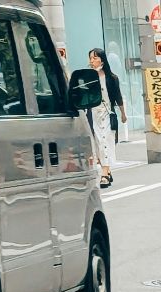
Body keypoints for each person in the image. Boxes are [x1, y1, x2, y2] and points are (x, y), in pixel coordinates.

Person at [68, 47, 124, 188]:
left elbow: (118, 97)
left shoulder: (112, 78)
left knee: (106, 140)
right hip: (92, 113)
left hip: (107, 113)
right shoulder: (88, 78)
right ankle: (107, 170)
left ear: (102, 59)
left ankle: (104, 175)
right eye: (91, 58)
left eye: (95, 58)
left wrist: (123, 114)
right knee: (98, 142)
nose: (92, 61)